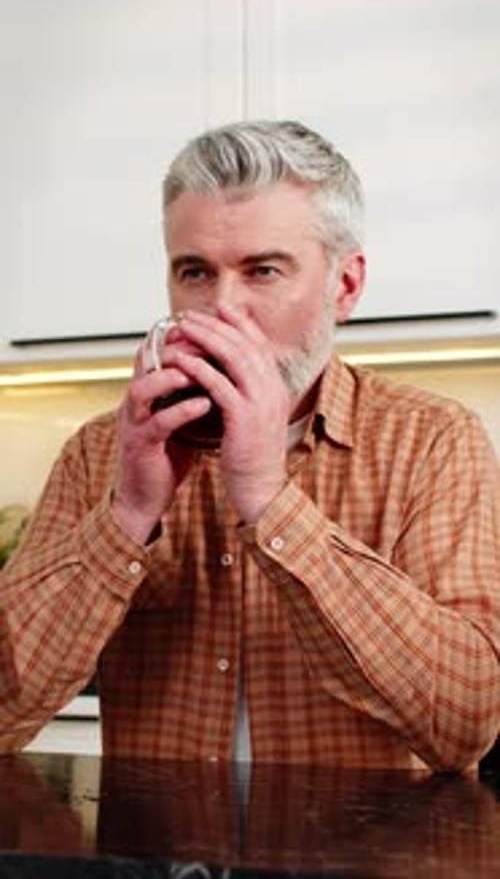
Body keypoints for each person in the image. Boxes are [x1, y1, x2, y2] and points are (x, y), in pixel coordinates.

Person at [0, 120, 498, 770]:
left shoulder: (434, 441)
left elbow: (468, 723)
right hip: (155, 866)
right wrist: (127, 516)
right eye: (195, 272)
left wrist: (269, 498)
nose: (220, 309)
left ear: (344, 286)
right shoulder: (102, 453)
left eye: (262, 270)